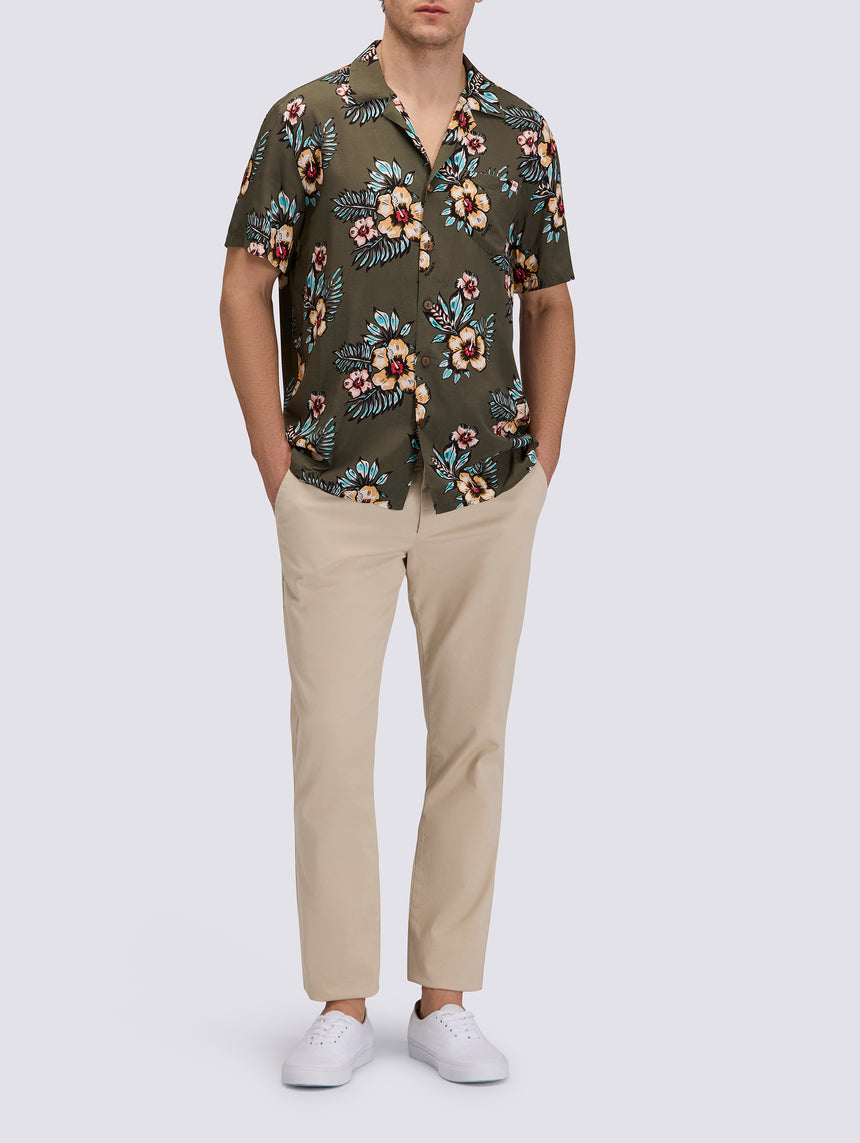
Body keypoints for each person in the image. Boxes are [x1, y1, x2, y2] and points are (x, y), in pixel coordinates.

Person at [219, 0, 575, 1087]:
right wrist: (277, 469)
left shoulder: (521, 134)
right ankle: (340, 1002)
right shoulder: (308, 120)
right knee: (332, 743)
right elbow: (243, 286)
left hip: (485, 486)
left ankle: (444, 998)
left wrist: (542, 468)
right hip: (335, 484)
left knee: (472, 742)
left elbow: (550, 305)